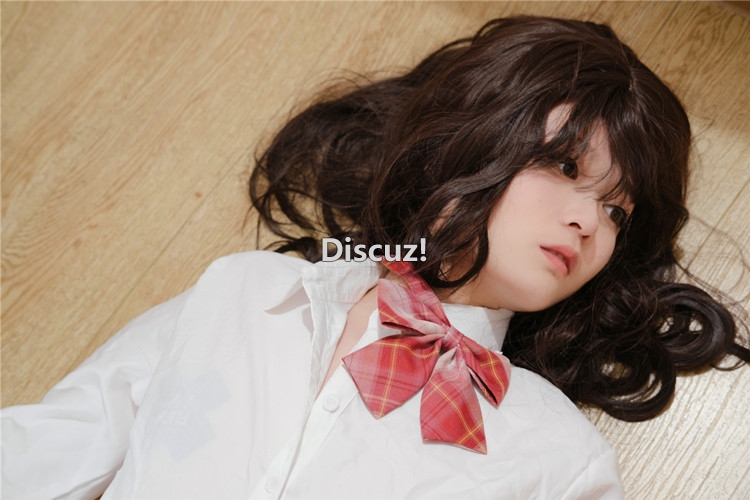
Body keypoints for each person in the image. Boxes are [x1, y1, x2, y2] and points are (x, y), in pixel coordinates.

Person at [2, 15, 748, 499]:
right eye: (563, 164)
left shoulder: (561, 458)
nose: (588, 221)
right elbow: (46, 453)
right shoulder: (246, 291)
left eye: (617, 211)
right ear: (470, 138)